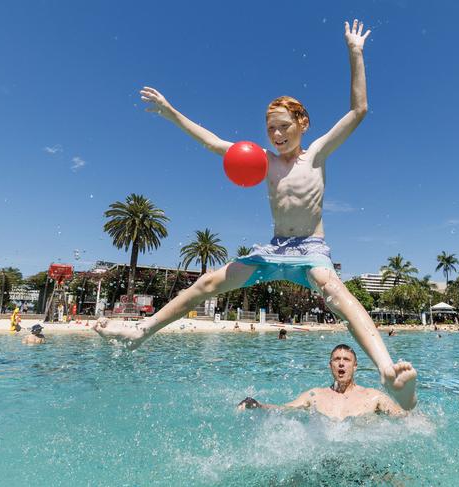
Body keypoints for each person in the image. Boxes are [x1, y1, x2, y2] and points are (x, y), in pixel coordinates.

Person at [94, 19, 417, 410]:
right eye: (270, 129)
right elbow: (214, 143)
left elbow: (359, 110)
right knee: (210, 281)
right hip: (274, 248)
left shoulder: (315, 154)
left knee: (333, 290)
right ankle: (143, 330)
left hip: (311, 249)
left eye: (283, 127)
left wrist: (355, 53)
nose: (276, 135)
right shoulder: (263, 160)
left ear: (302, 123)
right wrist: (170, 112)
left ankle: (385, 369)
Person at [238, 344, 415, 418]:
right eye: (336, 359)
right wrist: (258, 405)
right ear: (330, 365)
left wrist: (406, 395)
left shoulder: (373, 397)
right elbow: (285, 409)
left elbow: (404, 417)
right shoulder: (314, 395)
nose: (341, 363)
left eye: (346, 360)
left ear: (355, 366)